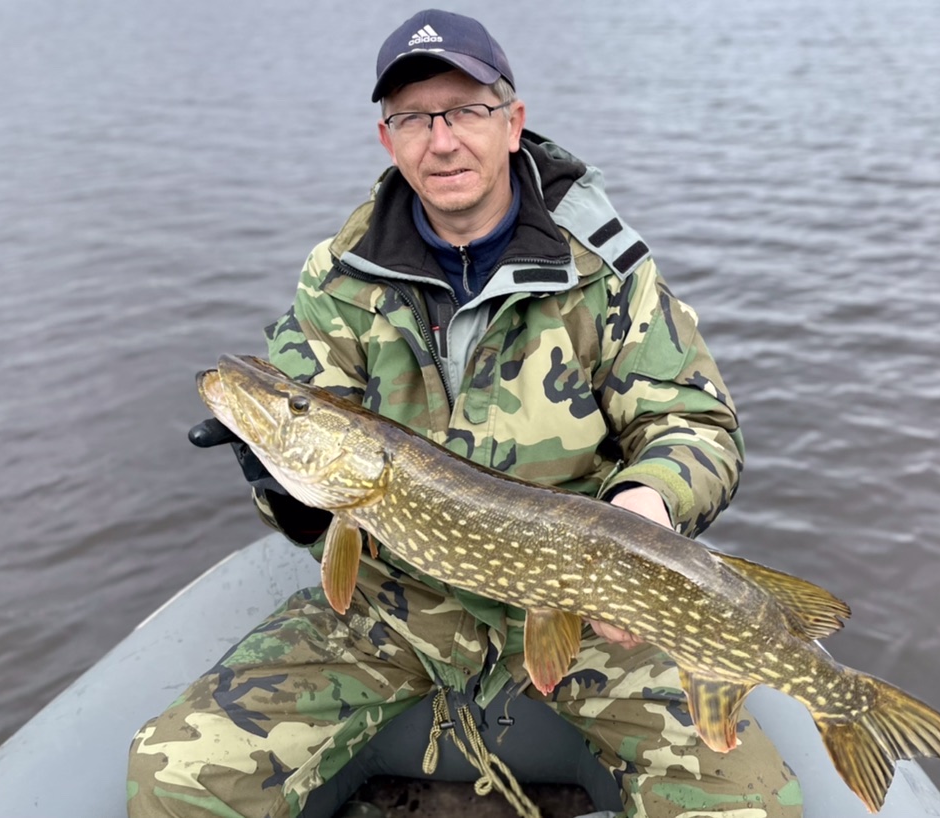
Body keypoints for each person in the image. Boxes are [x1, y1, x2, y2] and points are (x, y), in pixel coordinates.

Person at [127, 9, 802, 818]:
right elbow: (319, 479)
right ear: (388, 140)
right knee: (174, 775)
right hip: (394, 609)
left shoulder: (605, 271)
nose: (441, 141)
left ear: (512, 123)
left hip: (591, 606)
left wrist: (650, 500)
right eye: (414, 118)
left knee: (749, 805)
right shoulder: (340, 280)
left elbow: (695, 425)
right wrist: (277, 483)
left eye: (465, 111)